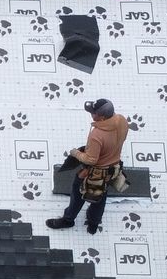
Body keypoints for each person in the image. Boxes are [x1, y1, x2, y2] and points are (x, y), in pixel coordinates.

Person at [46, 98, 129, 235]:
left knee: (78, 193)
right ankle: (93, 224)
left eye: (93, 113)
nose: (91, 114)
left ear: (101, 117)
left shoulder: (97, 135)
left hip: (95, 173)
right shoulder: (122, 120)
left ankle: (68, 219)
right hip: (113, 169)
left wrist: (76, 153)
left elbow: (91, 160)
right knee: (100, 196)